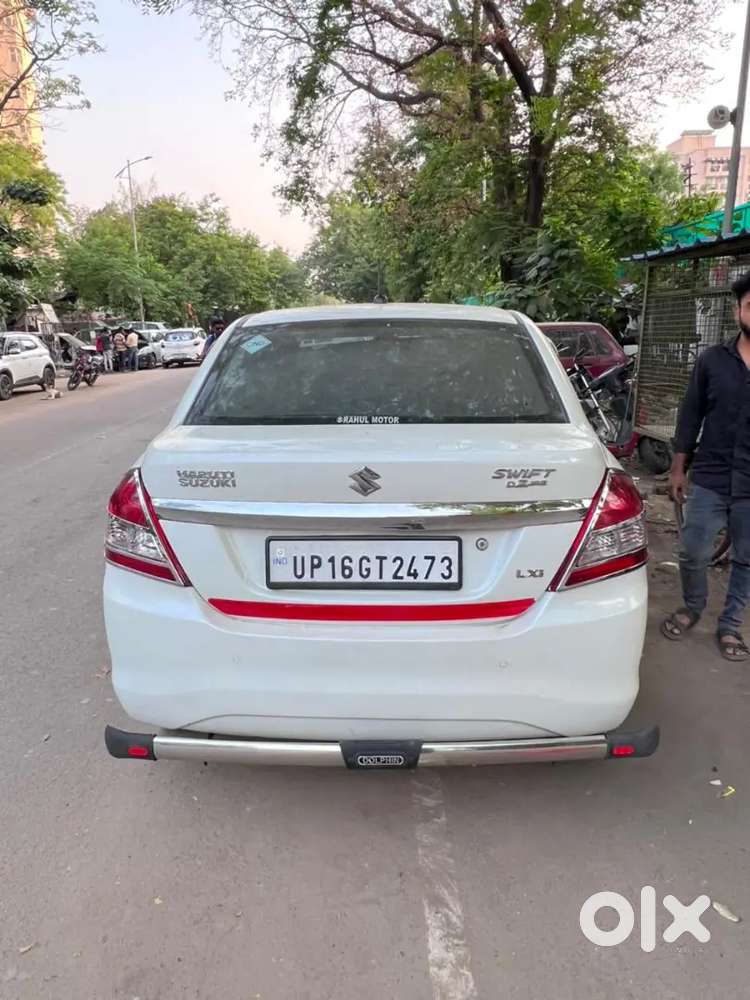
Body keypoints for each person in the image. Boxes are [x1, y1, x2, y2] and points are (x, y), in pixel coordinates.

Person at [662, 269, 750, 661]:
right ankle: (693, 606)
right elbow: (690, 415)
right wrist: (678, 469)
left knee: (747, 559)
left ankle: (730, 624)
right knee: (692, 550)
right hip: (711, 477)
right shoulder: (712, 361)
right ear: (737, 311)